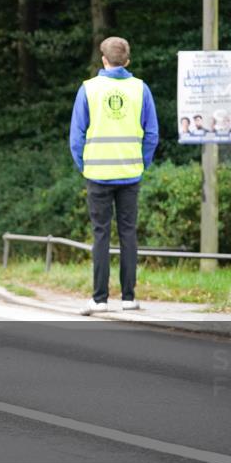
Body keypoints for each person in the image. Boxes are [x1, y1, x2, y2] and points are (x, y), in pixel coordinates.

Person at [69, 37, 158, 315]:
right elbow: (152, 134)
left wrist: (85, 165)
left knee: (101, 235)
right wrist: (141, 164)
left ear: (103, 59)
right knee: (128, 234)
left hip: (97, 173)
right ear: (127, 61)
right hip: (130, 174)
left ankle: (100, 299)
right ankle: (129, 298)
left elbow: (77, 136)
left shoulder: (88, 89)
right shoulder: (140, 89)